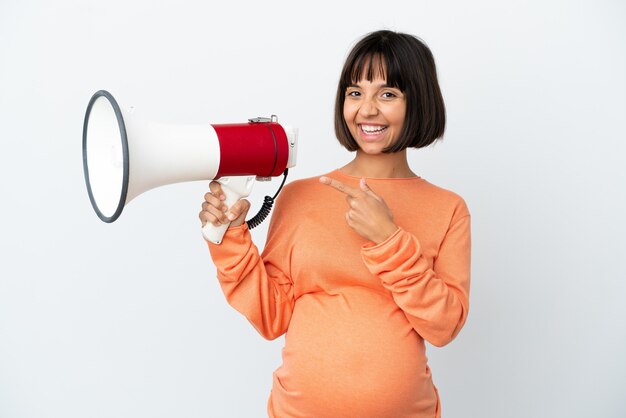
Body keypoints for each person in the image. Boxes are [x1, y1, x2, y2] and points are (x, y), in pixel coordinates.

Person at [199, 30, 471, 418]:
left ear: (419, 102)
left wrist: (388, 239)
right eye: (355, 92)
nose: (367, 109)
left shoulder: (448, 208)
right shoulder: (300, 197)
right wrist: (229, 237)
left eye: (388, 94)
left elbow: (444, 326)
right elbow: (272, 316)